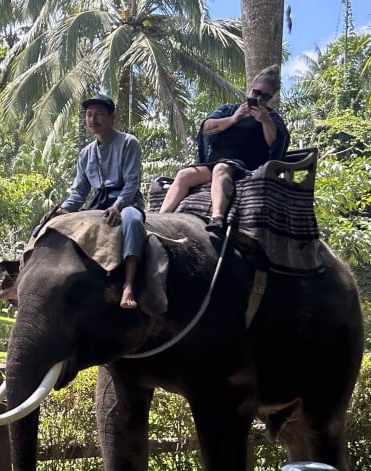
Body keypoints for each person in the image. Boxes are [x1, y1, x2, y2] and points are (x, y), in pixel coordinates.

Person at [157, 65, 289, 236]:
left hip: (246, 166)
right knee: (184, 175)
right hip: (215, 161)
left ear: (270, 98)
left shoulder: (272, 118)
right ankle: (160, 218)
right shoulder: (229, 110)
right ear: (250, 90)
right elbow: (206, 128)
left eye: (265, 97)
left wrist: (265, 121)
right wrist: (234, 119)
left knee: (221, 169)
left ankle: (217, 217)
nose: (259, 98)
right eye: (256, 93)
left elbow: (275, 144)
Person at [55, 94, 146, 309]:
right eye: (89, 115)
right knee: (52, 223)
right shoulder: (86, 153)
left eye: (99, 114)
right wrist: (64, 209)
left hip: (127, 201)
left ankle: (128, 285)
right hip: (98, 203)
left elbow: (132, 182)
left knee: (132, 221)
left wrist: (119, 206)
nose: (93, 119)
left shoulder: (128, 142)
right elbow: (79, 192)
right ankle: (20, 274)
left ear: (112, 117)